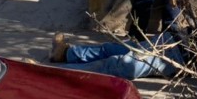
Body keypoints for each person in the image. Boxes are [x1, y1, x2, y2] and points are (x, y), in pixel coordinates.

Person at [49, 31, 186, 80]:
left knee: (115, 65)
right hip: (171, 39)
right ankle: (65, 54)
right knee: (110, 49)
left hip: (178, 56)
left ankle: (55, 74)